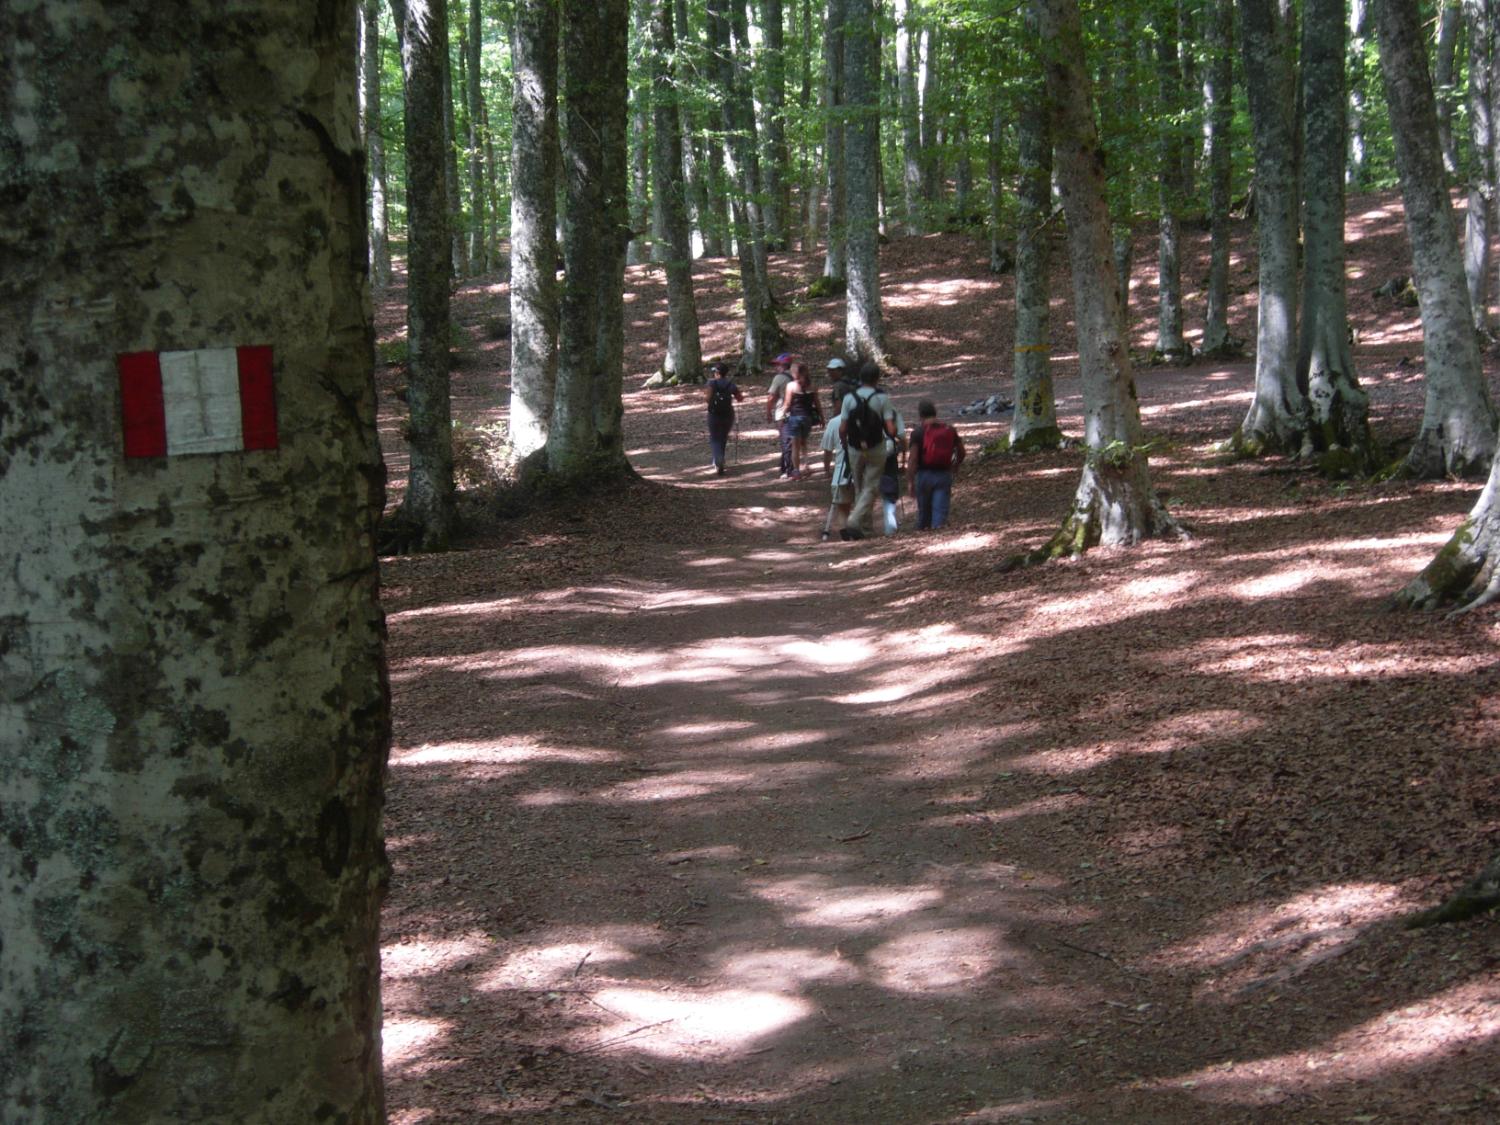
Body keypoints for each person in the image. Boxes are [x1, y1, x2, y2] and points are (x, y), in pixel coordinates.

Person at [836, 361, 897, 540]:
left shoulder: (849, 398)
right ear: (877, 379)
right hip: (876, 446)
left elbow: (842, 428)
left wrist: (844, 442)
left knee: (859, 487)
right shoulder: (882, 398)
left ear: (861, 378)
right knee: (871, 486)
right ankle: (855, 521)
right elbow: (890, 429)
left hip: (855, 446)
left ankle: (866, 528)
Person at [906, 399, 967, 530]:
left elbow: (913, 459)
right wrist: (955, 465)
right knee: (940, 514)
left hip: (923, 476)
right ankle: (937, 535)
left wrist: (910, 481)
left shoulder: (917, 433)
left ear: (920, 415)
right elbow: (962, 452)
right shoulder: (949, 430)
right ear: (935, 413)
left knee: (924, 514)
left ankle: (923, 538)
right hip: (943, 475)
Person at [779, 361, 824, 478]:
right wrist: (822, 417)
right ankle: (806, 464)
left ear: (794, 373)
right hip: (807, 419)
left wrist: (782, 415)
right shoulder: (813, 386)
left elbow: (787, 404)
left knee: (795, 445)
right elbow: (817, 403)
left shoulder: (791, 386)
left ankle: (796, 471)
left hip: (794, 418)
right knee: (804, 442)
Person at [704, 360, 744, 475]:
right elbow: (740, 398)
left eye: (714, 372)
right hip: (728, 414)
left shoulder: (711, 383)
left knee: (714, 438)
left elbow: (707, 398)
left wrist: (713, 402)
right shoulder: (730, 384)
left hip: (714, 414)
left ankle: (718, 460)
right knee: (723, 437)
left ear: (717, 373)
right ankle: (720, 459)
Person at [764, 352, 797, 478]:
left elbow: (771, 396)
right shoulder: (796, 376)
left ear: (783, 365)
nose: (776, 367)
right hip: (797, 412)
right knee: (792, 441)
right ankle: (785, 467)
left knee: (786, 442)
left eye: (777, 365)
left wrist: (768, 412)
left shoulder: (779, 378)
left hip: (783, 414)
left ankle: (789, 469)